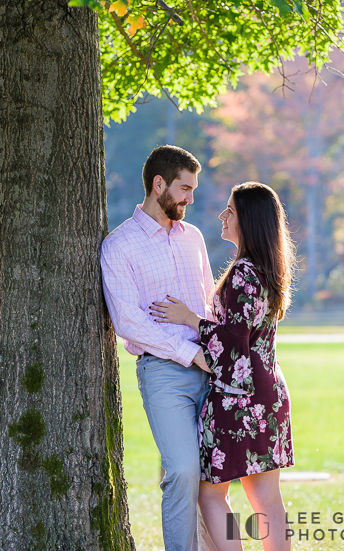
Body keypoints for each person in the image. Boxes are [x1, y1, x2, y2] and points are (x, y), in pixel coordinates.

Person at [149, 181, 296, 551]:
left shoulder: (243, 274)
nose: (222, 216)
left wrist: (190, 319)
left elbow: (233, 345)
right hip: (270, 394)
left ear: (247, 219)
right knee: (267, 499)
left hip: (239, 399)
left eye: (229, 210)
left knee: (209, 494)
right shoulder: (268, 269)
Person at [101, 145, 214, 551]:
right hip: (164, 372)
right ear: (159, 183)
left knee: (216, 476)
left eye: (193, 190)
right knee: (182, 470)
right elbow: (129, 322)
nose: (190, 199)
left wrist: (214, 350)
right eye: (185, 188)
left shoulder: (193, 238)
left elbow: (207, 302)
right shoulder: (119, 245)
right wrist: (189, 354)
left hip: (211, 368)